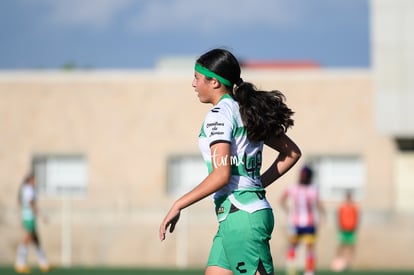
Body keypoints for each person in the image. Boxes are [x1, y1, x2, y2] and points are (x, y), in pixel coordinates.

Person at [159, 48, 302, 275]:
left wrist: (178, 204)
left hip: (241, 217)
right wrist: (255, 185)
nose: (193, 84)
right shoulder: (247, 111)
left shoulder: (220, 115)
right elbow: (292, 153)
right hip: (238, 215)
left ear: (214, 82)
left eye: (197, 78)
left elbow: (221, 175)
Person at [280, 166, 325, 275]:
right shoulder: (293, 188)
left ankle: (308, 271)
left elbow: (318, 205)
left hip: (308, 223)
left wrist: (322, 217)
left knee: (308, 248)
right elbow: (282, 200)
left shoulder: (312, 189)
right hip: (296, 223)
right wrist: (288, 211)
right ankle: (292, 271)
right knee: (293, 247)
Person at [15, 172, 50, 273]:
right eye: (34, 180)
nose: (36, 182)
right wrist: (40, 215)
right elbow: (31, 203)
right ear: (30, 180)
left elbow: (21, 202)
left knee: (36, 239)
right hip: (28, 217)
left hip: (28, 216)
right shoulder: (29, 189)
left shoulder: (26, 189)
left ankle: (43, 263)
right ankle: (20, 263)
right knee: (27, 238)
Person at [330, 190, 360, 272]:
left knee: (351, 247)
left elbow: (357, 217)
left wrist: (355, 227)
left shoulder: (355, 206)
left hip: (351, 229)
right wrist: (339, 226)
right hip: (343, 229)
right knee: (341, 246)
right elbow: (338, 216)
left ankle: (349, 264)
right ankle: (337, 264)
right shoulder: (342, 206)